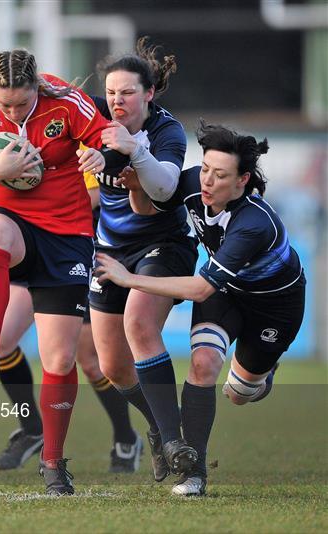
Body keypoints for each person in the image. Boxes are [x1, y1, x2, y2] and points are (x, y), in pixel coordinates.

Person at [95, 121, 306, 496]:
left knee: (240, 393)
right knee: (203, 363)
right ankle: (193, 475)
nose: (207, 181)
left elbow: (199, 287)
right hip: (226, 295)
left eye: (220, 175)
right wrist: (136, 183)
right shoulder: (194, 183)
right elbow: (149, 204)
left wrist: (128, 279)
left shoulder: (254, 224)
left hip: (275, 307)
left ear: (242, 181)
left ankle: (261, 372)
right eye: (205, 169)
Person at [0, 48, 111, 495]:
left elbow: (109, 139)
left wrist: (104, 159)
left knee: (59, 359)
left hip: (66, 232)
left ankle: (54, 463)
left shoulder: (66, 101)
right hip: (9, 218)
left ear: (38, 87)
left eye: (22, 103)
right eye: (5, 104)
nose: (13, 111)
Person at [88, 37, 199, 482]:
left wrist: (136, 150)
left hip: (164, 246)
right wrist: (17, 78)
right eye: (112, 92)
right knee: (111, 366)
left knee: (138, 323)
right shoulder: (94, 118)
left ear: (149, 93)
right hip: (110, 250)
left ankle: (175, 442)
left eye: (128, 92)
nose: (118, 100)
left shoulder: (165, 131)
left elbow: (165, 190)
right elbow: (49, 92)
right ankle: (158, 427)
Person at [0, 175, 141, 473]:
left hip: (77, 248)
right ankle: (33, 428)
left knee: (90, 361)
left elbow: (94, 195)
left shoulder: (86, 135)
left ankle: (126, 438)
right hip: (38, 245)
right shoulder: (32, 133)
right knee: (0, 341)